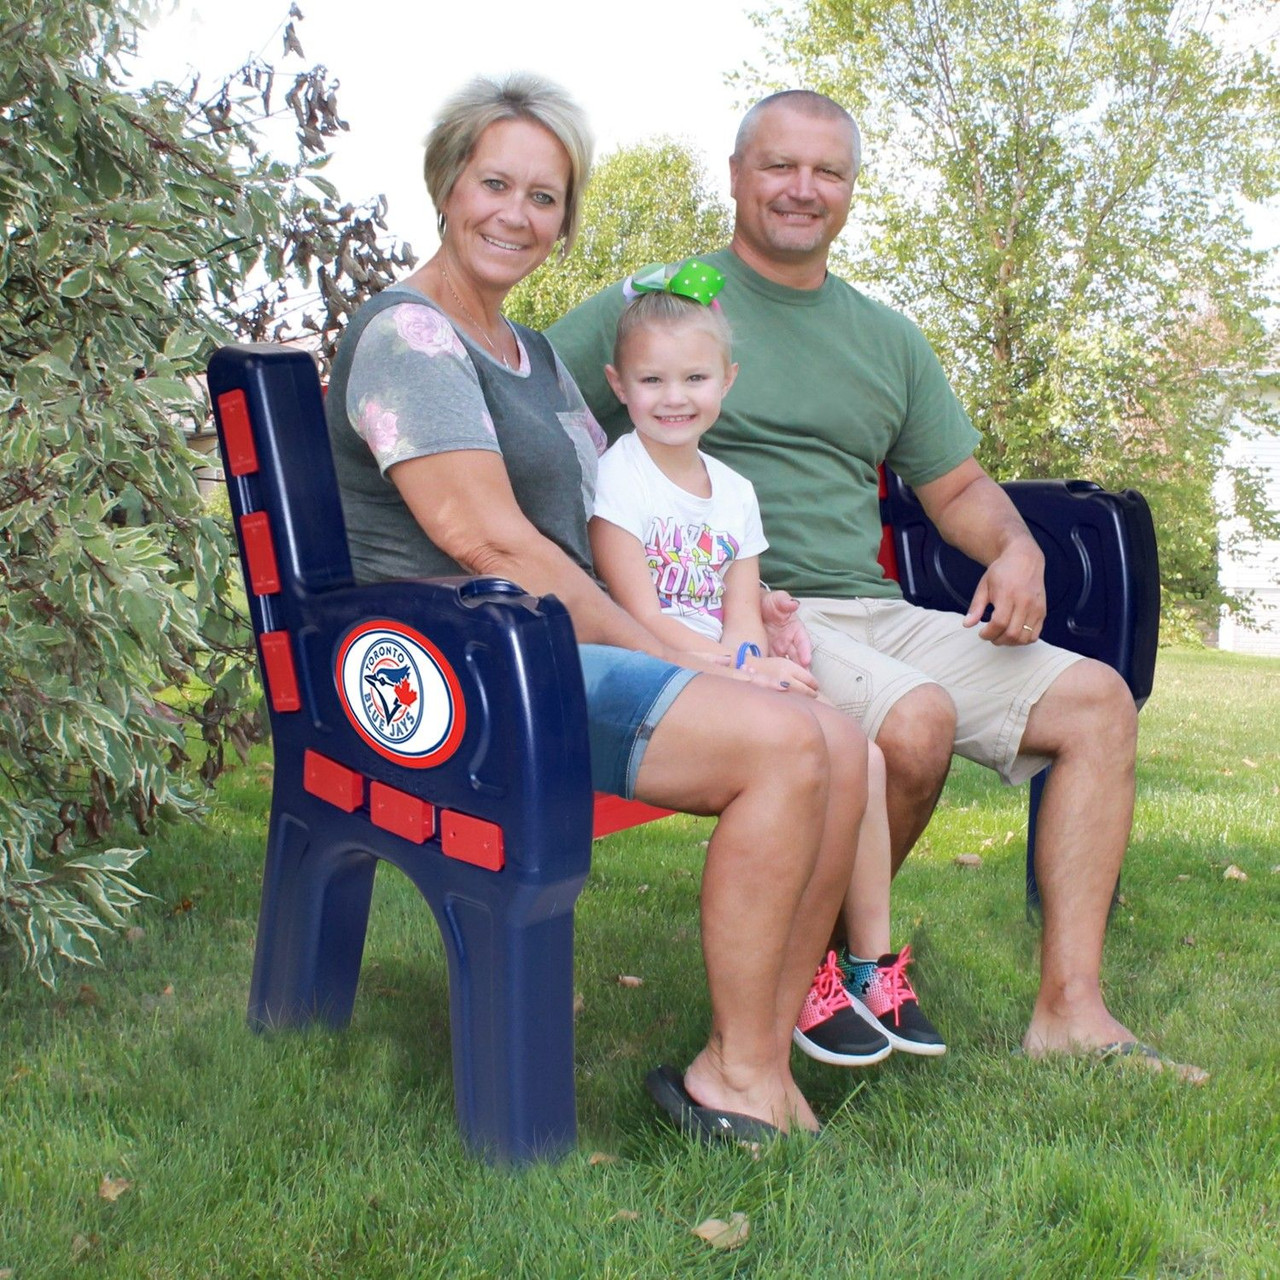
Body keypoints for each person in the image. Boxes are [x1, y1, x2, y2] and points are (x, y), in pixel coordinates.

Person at [549, 90, 1207, 1081]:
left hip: (875, 607)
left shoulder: (884, 337)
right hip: (745, 611)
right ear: (735, 176)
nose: (800, 189)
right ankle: (813, 978)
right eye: (777, 165)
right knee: (912, 722)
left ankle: (1068, 1010)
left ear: (851, 191)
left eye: (827, 171)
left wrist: (1015, 549)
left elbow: (957, 487)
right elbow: (523, 398)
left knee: (1095, 702)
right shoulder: (663, 307)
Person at [325, 71, 885, 1142]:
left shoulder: (529, 354)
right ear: (446, 186)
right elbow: (484, 537)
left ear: (564, 220)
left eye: (544, 197)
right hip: (461, 666)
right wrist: (680, 660)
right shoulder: (410, 337)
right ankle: (739, 1070)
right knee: (782, 745)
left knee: (835, 734)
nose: (516, 214)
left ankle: (752, 1059)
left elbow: (612, 520)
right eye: (495, 183)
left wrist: (737, 608)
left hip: (544, 647)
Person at [588, 268, 945, 1064]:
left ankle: (866, 965)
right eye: (650, 379)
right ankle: (799, 978)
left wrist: (756, 657)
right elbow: (638, 613)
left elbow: (740, 608)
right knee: (814, 748)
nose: (673, 397)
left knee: (866, 752)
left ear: (727, 382)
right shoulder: (621, 474)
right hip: (658, 669)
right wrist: (739, 671)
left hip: (725, 667)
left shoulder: (736, 492)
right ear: (618, 384)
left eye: (694, 377)